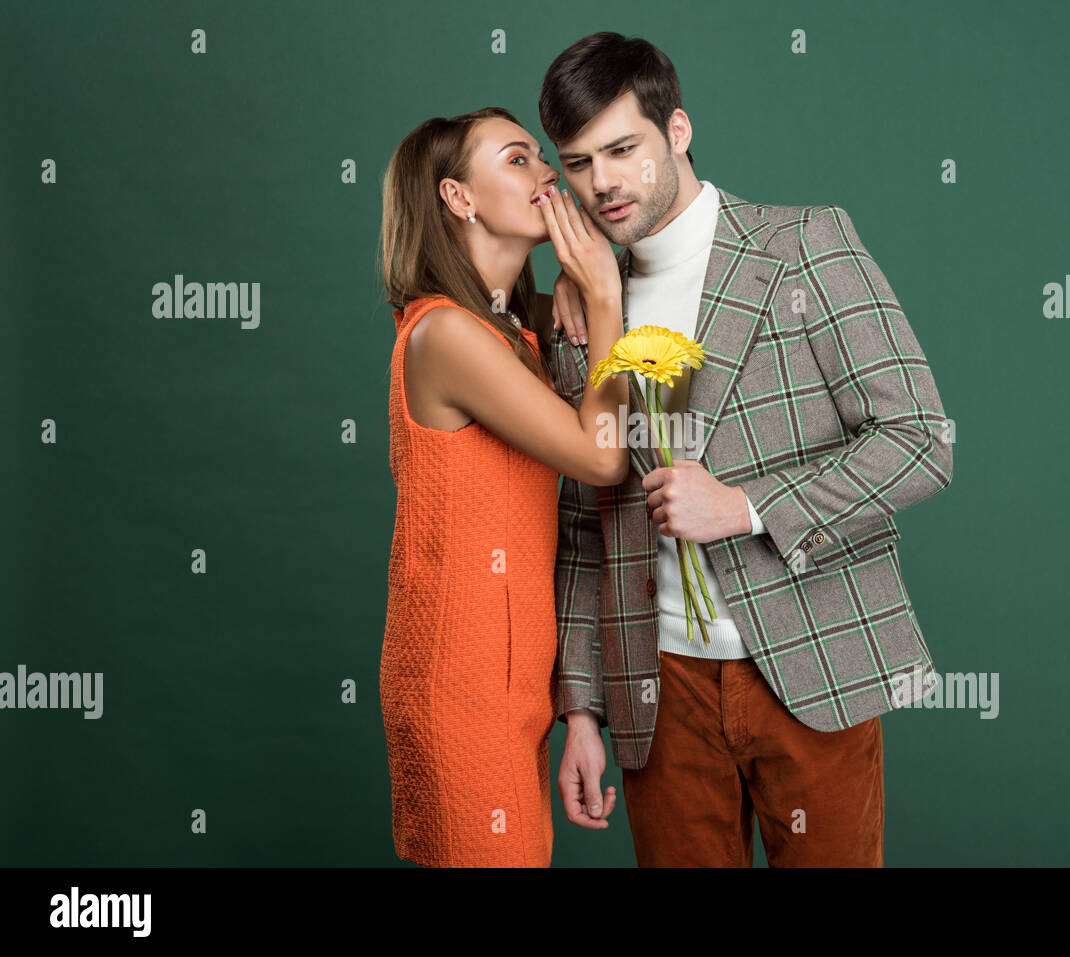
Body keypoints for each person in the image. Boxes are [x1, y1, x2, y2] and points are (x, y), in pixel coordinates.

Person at [540, 34, 955, 866]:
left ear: (678, 131)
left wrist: (746, 505)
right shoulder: (586, 307)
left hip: (811, 670)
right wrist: (581, 709)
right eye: (578, 163)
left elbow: (920, 440)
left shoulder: (803, 245)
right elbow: (584, 527)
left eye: (623, 149)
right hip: (657, 689)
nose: (604, 184)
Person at [377, 106, 627, 867]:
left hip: (513, 682)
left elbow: (577, 332)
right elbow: (602, 454)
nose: (548, 174)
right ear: (458, 198)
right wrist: (604, 295)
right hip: (460, 686)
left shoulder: (511, 332)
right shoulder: (445, 334)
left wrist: (571, 287)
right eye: (518, 160)